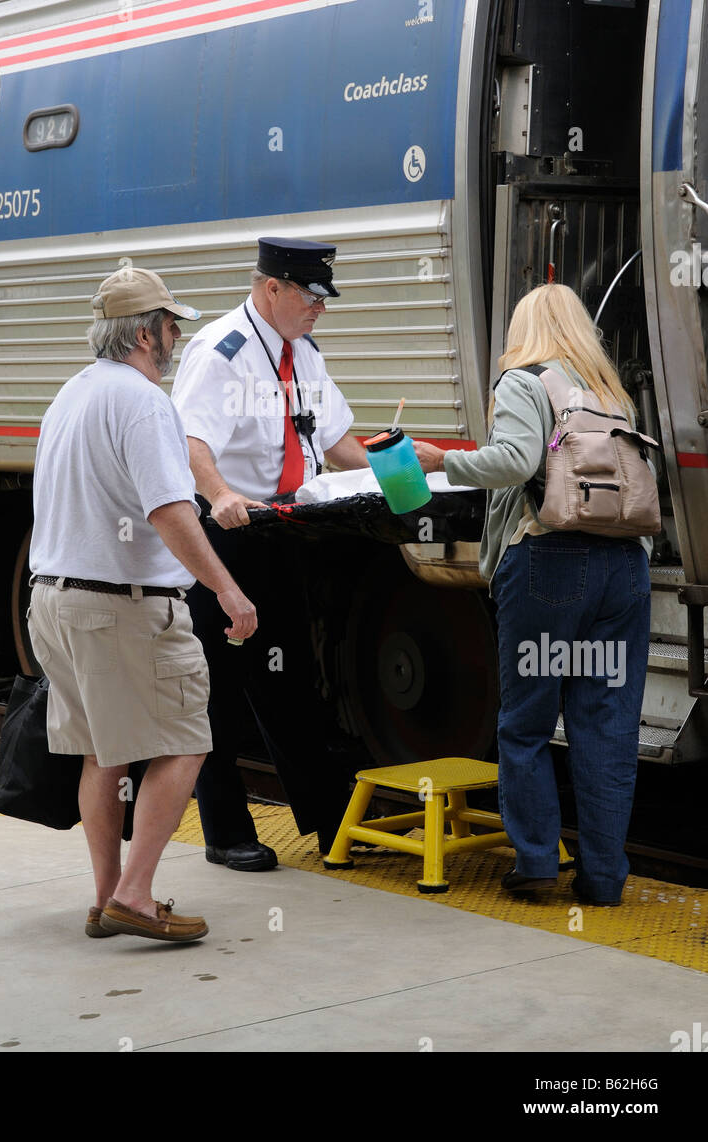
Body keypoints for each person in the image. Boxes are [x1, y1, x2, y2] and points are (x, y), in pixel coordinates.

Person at [27, 267, 257, 941]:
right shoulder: (144, 402)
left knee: (105, 750)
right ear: (143, 333)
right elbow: (170, 512)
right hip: (124, 608)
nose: (177, 335)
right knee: (186, 739)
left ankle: (106, 898)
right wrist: (226, 587)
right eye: (170, 324)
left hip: (54, 601)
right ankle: (135, 893)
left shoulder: (70, 395)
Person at [416, 283, 653, 907]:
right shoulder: (612, 392)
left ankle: (538, 865)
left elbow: (516, 461)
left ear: (525, 331)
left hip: (549, 567)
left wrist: (445, 461)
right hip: (624, 570)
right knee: (605, 725)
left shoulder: (525, 382)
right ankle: (603, 878)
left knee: (525, 725)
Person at [171, 237, 369, 870]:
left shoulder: (302, 353)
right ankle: (224, 831)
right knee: (220, 690)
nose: (320, 308)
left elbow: (337, 444)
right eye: (310, 296)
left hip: (283, 533)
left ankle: (327, 823)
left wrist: (403, 464)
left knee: (290, 681)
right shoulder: (221, 352)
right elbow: (191, 442)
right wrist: (222, 493)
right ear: (272, 289)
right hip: (227, 535)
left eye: (323, 298)